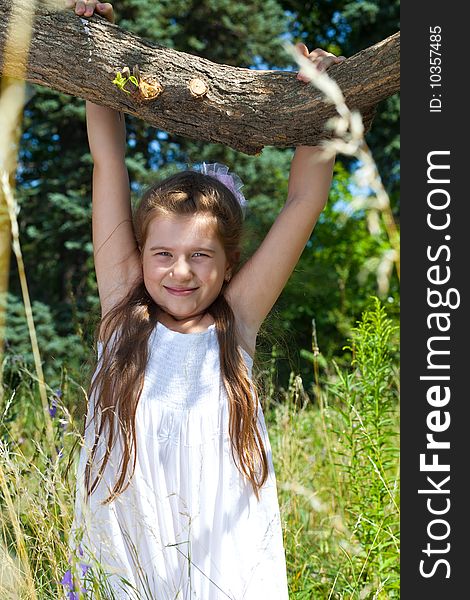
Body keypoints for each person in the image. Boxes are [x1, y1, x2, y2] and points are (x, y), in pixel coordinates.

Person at [62, 1, 345, 598]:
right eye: (163, 254)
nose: (181, 272)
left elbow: (303, 203)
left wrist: (326, 96)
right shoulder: (122, 309)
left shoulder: (235, 321)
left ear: (229, 266)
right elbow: (107, 159)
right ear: (140, 256)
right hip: (130, 550)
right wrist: (95, 47)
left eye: (201, 257)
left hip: (221, 558)